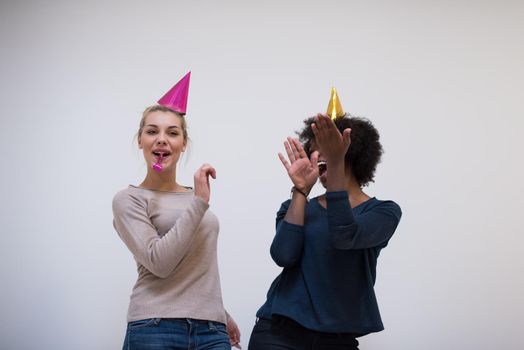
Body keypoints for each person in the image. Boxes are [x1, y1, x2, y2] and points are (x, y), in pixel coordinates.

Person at [248, 112, 402, 350]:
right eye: (315, 152)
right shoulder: (294, 207)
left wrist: (336, 162)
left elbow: (344, 234)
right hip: (278, 334)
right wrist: (300, 191)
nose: (318, 157)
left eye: (328, 150)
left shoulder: (383, 212)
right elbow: (283, 255)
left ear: (350, 154)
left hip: (337, 340)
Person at [112, 75, 240, 350]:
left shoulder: (196, 199)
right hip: (154, 327)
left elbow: (195, 264)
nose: (161, 140)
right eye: (152, 131)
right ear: (140, 140)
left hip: (211, 329)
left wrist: (220, 312)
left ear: (183, 143)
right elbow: (160, 262)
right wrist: (199, 203)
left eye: (172, 133)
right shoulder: (129, 199)